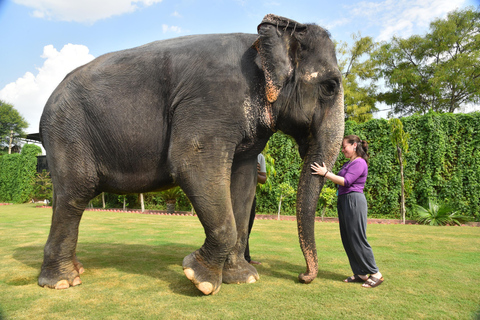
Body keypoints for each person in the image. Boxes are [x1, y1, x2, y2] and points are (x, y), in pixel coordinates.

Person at [310, 135, 384, 288]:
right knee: (347, 238)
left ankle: (375, 273)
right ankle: (361, 272)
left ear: (354, 145)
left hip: (354, 201)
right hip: (344, 201)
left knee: (357, 238)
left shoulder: (359, 163)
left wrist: (325, 173)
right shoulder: (348, 163)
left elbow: (346, 181)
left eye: (345, 147)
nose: (342, 150)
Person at [245, 153, 267, 265]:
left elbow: (263, 179)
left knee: (247, 229)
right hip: (234, 195)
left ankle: (245, 258)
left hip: (250, 196)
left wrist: (253, 172)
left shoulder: (259, 157)